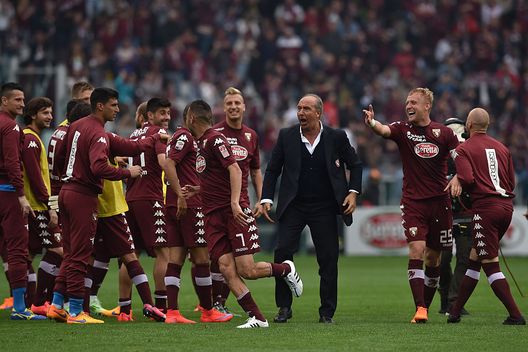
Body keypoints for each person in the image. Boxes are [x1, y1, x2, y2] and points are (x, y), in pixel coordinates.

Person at [187, 99, 302, 329]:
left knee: (246, 270)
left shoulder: (214, 139)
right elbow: (217, 177)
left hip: (231, 213)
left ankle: (286, 269)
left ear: (191, 118)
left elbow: (235, 169)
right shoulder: (201, 143)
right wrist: (199, 189)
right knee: (226, 269)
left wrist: (234, 203)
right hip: (212, 215)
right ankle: (258, 317)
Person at [261, 93, 362, 324]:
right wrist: (266, 197)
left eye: (306, 109)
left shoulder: (337, 137)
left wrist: (353, 193)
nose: (300, 113)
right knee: (282, 253)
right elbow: (272, 170)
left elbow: (355, 165)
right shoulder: (286, 136)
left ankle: (327, 312)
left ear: (318, 113)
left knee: (328, 259)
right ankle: (284, 308)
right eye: (299, 108)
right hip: (294, 205)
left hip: (325, 207)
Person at [363, 87, 460, 323]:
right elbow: (383, 130)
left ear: (427, 106)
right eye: (407, 102)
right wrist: (373, 122)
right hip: (413, 202)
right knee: (417, 249)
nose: (409, 106)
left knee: (434, 259)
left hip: (440, 203)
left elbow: (462, 157)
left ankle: (424, 306)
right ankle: (420, 308)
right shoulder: (402, 130)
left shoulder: (444, 133)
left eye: (414, 102)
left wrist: (458, 176)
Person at [46, 87, 142, 324]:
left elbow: (59, 159)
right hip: (83, 196)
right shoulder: (98, 133)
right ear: (100, 106)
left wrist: (150, 140)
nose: (118, 109)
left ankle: (57, 305)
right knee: (80, 255)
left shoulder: (76, 126)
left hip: (67, 192)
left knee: (70, 254)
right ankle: (77, 312)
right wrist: (127, 172)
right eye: (114, 105)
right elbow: (99, 167)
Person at [446, 108, 525, 325]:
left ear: (469, 125)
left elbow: (468, 178)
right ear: (487, 126)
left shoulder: (463, 149)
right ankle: (454, 313)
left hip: (485, 210)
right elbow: (511, 181)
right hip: (506, 208)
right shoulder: (502, 148)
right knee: (475, 260)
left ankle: (516, 316)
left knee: (490, 263)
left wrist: (460, 182)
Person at [162, 104, 233, 324]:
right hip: (188, 206)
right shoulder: (184, 136)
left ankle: (172, 312)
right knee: (202, 259)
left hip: (176, 204)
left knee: (176, 259)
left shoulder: (181, 137)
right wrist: (181, 196)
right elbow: (169, 164)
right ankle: (208, 311)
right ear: (191, 118)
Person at [209, 87, 262, 313]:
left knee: (242, 265)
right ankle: (216, 303)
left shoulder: (251, 135)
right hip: (217, 205)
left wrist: (262, 198)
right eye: (229, 103)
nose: (233, 107)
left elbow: (256, 170)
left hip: (241, 206)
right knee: (218, 259)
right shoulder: (214, 133)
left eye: (237, 103)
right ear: (224, 107)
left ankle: (219, 303)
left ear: (244, 107)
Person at [0, 82, 46, 320]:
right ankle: (19, 308)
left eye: (23, 99)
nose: (22, 103)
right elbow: (11, 164)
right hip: (8, 193)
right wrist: (21, 195)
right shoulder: (11, 128)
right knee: (18, 249)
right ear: (4, 101)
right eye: (17, 99)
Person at [123, 97, 172, 313]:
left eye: (168, 113)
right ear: (150, 115)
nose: (167, 117)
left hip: (131, 198)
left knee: (130, 256)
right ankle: (161, 305)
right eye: (162, 113)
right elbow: (163, 163)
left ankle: (124, 310)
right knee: (164, 253)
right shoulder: (158, 135)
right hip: (150, 198)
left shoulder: (133, 134)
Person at [20, 97, 63, 316]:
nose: (50, 117)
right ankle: (38, 301)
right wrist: (50, 206)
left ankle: (26, 302)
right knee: (58, 250)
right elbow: (37, 180)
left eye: (50, 112)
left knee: (27, 255)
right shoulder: (31, 140)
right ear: (33, 114)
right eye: (45, 113)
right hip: (37, 206)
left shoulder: (33, 138)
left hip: (35, 205)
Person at [438, 117, 472, 315]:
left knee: (463, 259)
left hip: (465, 210)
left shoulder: (469, 151)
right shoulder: (438, 153)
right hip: (443, 212)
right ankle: (448, 300)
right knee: (442, 260)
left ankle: (452, 301)